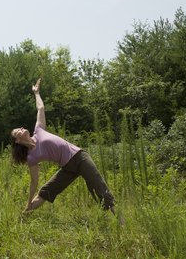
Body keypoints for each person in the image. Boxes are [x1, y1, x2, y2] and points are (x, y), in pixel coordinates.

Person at [11, 78, 116, 215]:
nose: (21, 128)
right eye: (17, 131)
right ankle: (24, 215)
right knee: (45, 191)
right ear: (18, 141)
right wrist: (28, 202)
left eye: (20, 127)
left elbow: (40, 108)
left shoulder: (39, 130)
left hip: (79, 157)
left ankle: (121, 222)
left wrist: (36, 93)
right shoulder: (32, 157)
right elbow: (34, 182)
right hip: (67, 168)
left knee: (98, 187)